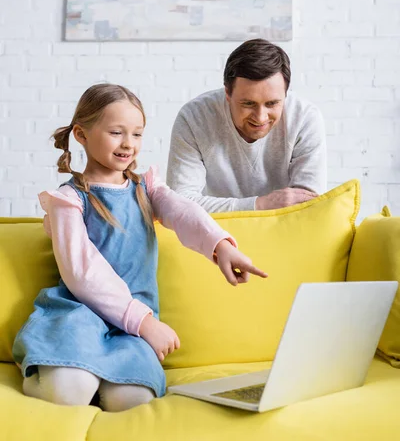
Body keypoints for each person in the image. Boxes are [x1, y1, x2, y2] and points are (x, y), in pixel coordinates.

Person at [12, 84, 267, 412]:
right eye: (116, 132)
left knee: (132, 401)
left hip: (131, 328)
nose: (128, 144)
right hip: (81, 316)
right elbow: (82, 272)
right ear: (81, 134)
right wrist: (145, 323)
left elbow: (183, 212)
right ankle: (45, 369)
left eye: (137, 134)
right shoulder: (69, 200)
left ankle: (93, 377)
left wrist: (220, 245)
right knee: (69, 391)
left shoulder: (146, 188)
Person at [167, 39, 326, 213]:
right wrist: (259, 205)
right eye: (248, 104)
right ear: (228, 93)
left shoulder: (305, 118)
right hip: (215, 231)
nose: (260, 117)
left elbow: (308, 206)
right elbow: (179, 203)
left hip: (283, 229)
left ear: (285, 94)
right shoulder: (194, 118)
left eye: (272, 103)